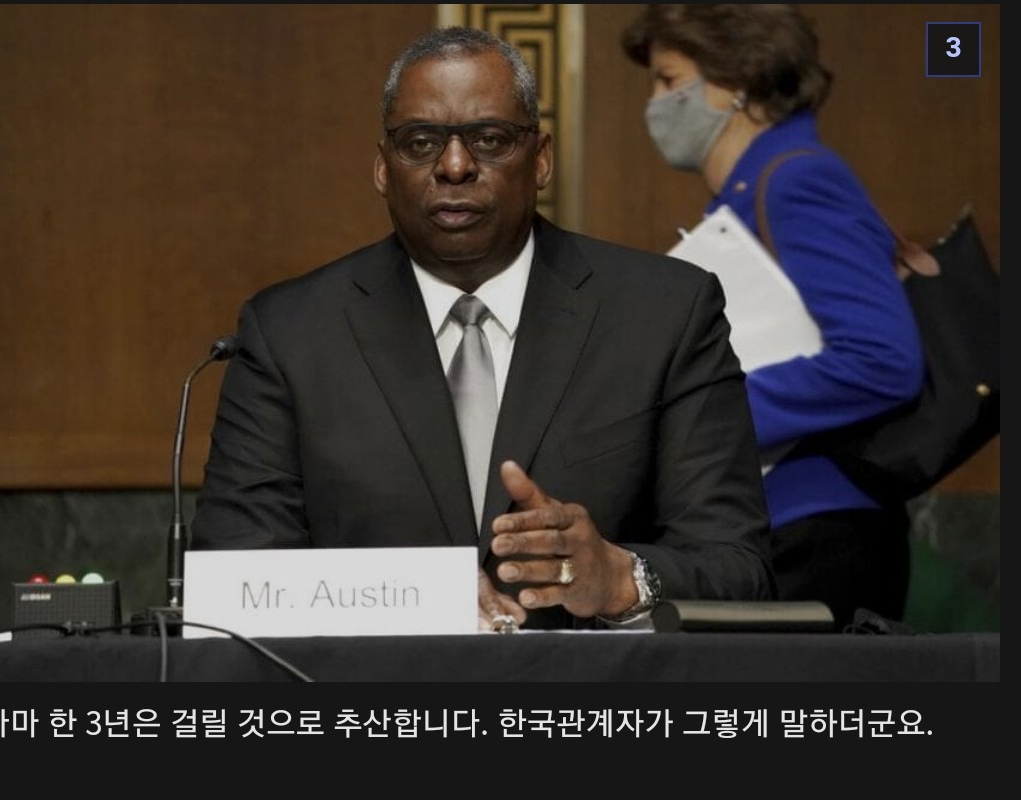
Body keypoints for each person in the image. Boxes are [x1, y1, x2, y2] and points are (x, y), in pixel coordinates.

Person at [191, 25, 774, 632]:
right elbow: (233, 578)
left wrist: (622, 578)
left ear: (540, 159)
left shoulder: (664, 314)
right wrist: (419, 597)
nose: (455, 166)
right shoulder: (291, 333)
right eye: (420, 142)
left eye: (489, 139)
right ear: (383, 167)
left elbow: (740, 568)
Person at [620, 4, 924, 629]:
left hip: (816, 530)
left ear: (738, 80)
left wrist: (707, 417)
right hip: (782, 526)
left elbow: (882, 359)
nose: (654, 104)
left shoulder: (798, 180)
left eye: (670, 81)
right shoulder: (751, 191)